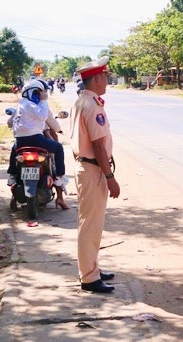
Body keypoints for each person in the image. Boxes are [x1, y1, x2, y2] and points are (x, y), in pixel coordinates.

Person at [70, 56, 120, 293]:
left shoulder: (83, 101)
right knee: (90, 224)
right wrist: (110, 178)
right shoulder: (92, 106)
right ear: (97, 78)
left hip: (87, 166)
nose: (107, 82)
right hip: (93, 169)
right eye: (105, 77)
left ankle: (92, 268)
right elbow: (98, 146)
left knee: (91, 223)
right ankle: (89, 277)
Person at [8, 80, 70, 209]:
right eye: (39, 92)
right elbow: (44, 116)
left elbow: (10, 122)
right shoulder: (34, 105)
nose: (41, 94)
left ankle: (12, 176)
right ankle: (59, 178)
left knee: (14, 152)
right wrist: (44, 100)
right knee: (57, 148)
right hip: (35, 139)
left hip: (20, 141)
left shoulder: (20, 105)